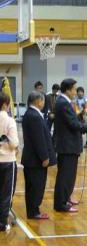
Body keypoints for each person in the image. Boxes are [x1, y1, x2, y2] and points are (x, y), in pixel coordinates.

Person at [53, 79, 87, 212]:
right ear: (68, 90)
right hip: (67, 145)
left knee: (70, 175)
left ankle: (66, 198)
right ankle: (61, 204)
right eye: (74, 89)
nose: (75, 92)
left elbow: (73, 121)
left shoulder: (66, 102)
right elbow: (73, 124)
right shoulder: (63, 103)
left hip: (70, 145)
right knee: (65, 175)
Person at [22, 91, 57, 219]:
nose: (44, 103)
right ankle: (34, 212)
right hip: (35, 159)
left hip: (31, 158)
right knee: (36, 186)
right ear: (38, 101)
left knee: (33, 186)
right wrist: (45, 157)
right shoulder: (34, 116)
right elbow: (38, 139)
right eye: (43, 101)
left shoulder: (30, 114)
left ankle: (33, 211)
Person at [0, 92, 19, 232]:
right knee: (6, 194)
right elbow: (14, 144)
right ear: (6, 105)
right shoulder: (9, 120)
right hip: (7, 161)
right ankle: (2, 223)